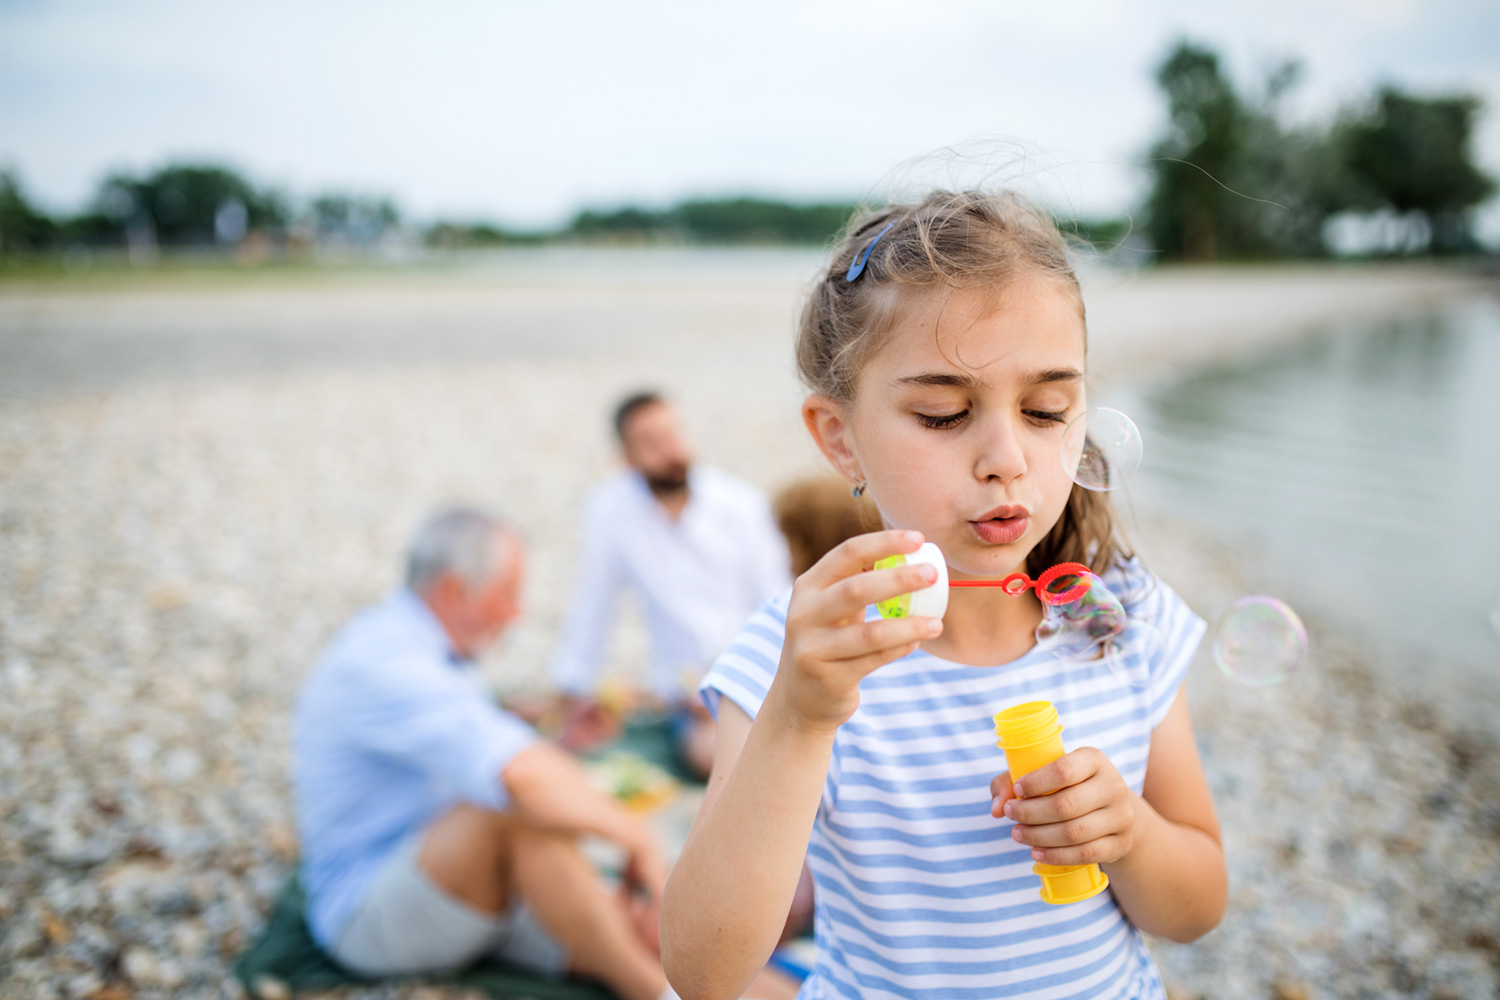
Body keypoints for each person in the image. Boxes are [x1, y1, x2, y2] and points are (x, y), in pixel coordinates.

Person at [662, 191, 1227, 999]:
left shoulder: (1122, 621)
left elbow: (1200, 905)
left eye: (1046, 409)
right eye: (943, 413)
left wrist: (1130, 835)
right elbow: (703, 972)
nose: (1006, 456)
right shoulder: (796, 660)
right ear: (838, 435)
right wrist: (800, 714)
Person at [295, 506, 687, 1000]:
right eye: (508, 593)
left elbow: (483, 744)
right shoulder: (383, 663)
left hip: (440, 869)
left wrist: (556, 736)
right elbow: (515, 778)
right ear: (458, 590)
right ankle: (651, 991)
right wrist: (637, 838)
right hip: (363, 912)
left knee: (649, 931)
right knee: (517, 810)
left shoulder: (423, 646)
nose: (517, 613)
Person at [549, 392, 791, 777]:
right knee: (715, 753)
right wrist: (571, 688)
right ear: (627, 457)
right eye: (652, 442)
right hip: (683, 695)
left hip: (759, 676)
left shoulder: (742, 505)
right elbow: (593, 604)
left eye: (673, 435)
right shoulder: (611, 509)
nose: (671, 450)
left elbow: (778, 603)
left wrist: (750, 681)